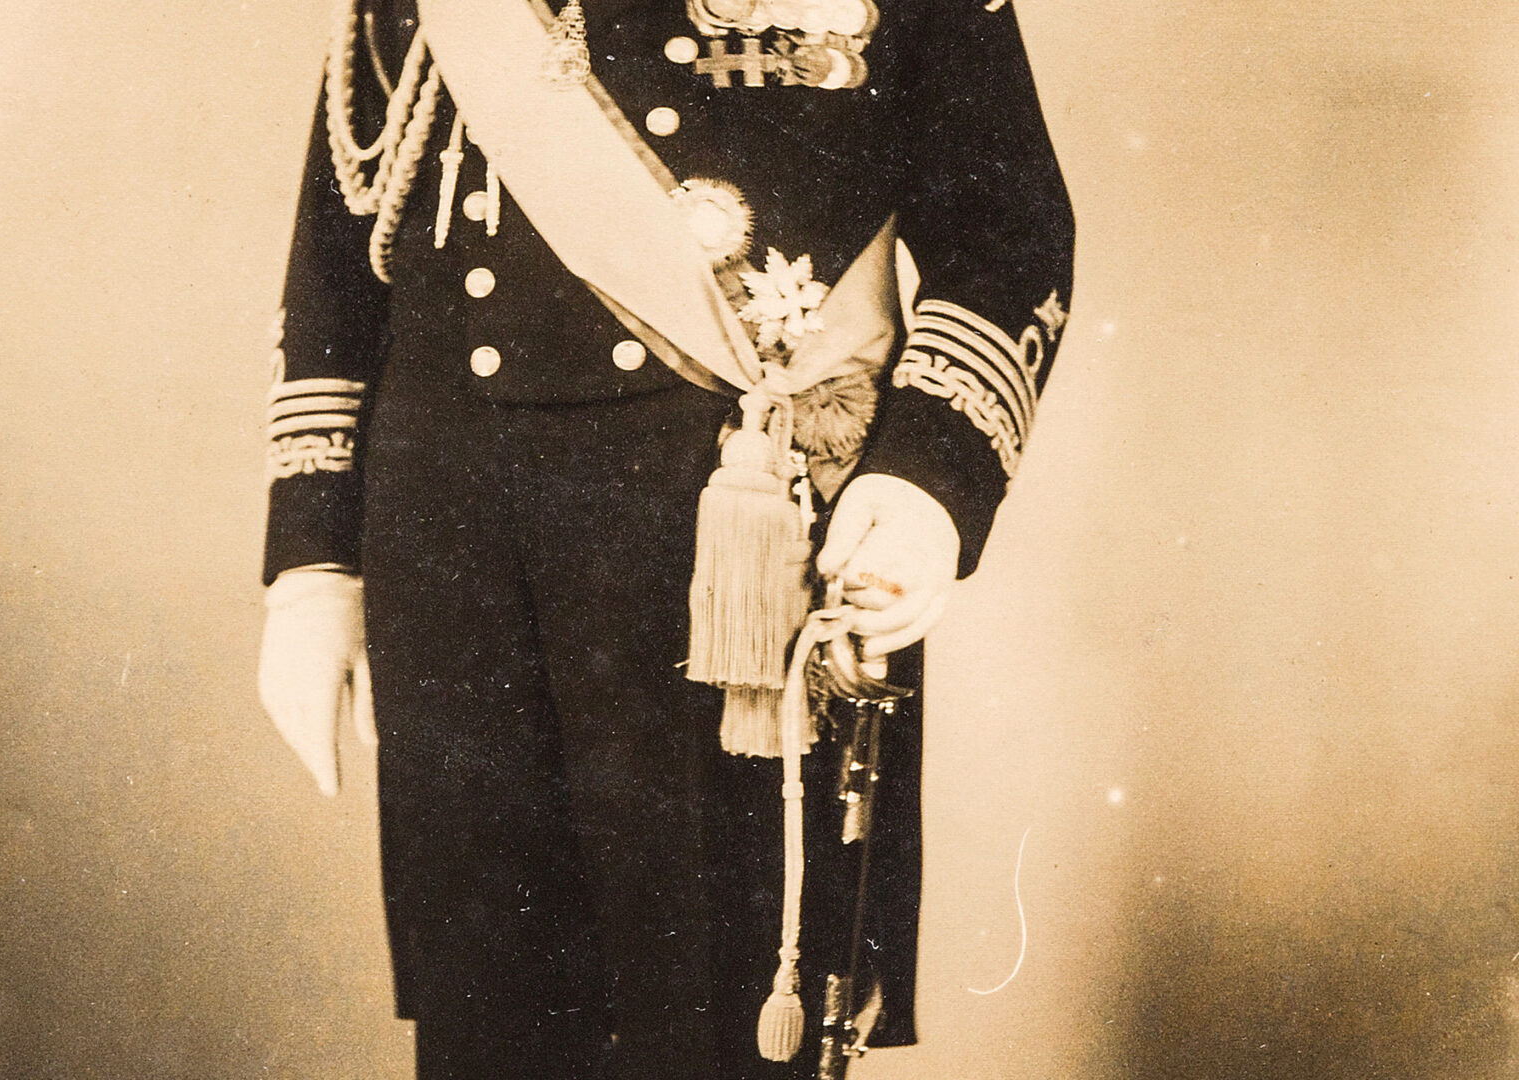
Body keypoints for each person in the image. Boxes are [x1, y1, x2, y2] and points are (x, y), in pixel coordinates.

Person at [256, 1, 1072, 1077]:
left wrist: (928, 480)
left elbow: (1007, 230)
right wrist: (313, 560)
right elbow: (342, 241)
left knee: (724, 1014)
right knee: (489, 1016)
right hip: (449, 537)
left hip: (720, 525)